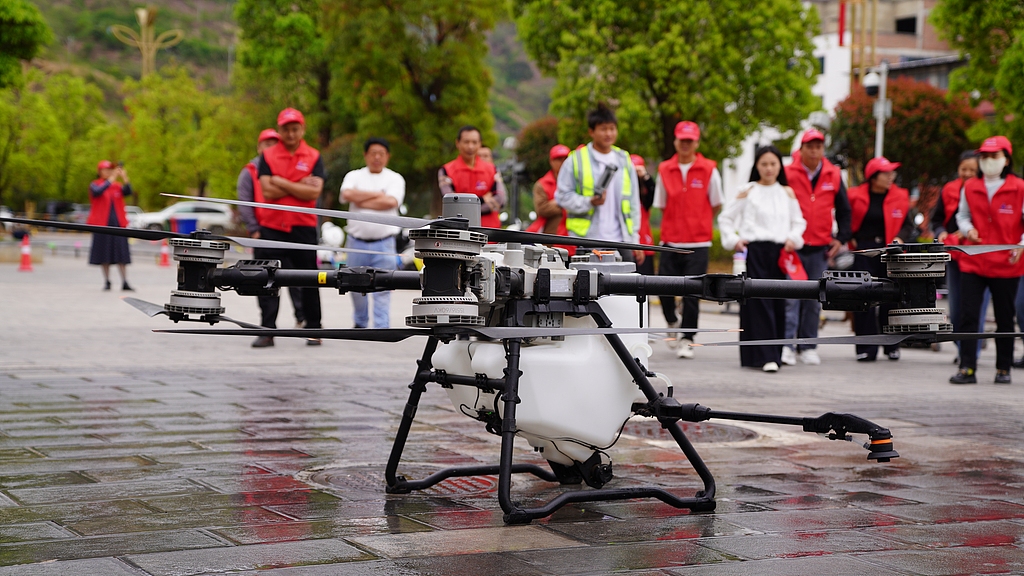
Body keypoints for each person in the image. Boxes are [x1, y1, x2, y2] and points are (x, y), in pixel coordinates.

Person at [718, 145, 806, 372]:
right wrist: (734, 239)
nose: (768, 168)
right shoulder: (748, 190)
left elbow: (799, 222)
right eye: (764, 164)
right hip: (755, 251)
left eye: (773, 164)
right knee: (758, 302)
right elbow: (726, 218)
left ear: (780, 166)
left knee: (777, 301)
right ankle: (762, 356)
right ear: (756, 166)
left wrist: (792, 238)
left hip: (779, 253)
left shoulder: (786, 192)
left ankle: (774, 353)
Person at [951, 136, 1024, 384]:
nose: (988, 161)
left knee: (1005, 317)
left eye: (993, 156)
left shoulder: (1019, 187)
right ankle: (967, 367)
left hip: (1006, 263)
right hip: (974, 259)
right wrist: (967, 228)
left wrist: (1021, 245)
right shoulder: (970, 186)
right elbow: (962, 215)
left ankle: (1003, 368)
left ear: (1006, 159)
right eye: (984, 156)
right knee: (968, 315)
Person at [251, 107, 325, 348]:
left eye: (295, 129)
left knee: (310, 279)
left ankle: (314, 328)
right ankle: (267, 330)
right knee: (265, 279)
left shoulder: (314, 156)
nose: (290, 134)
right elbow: (267, 191)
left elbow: (314, 192)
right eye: (286, 129)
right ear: (279, 130)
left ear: (302, 129)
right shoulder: (268, 156)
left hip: (303, 227)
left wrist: (281, 182)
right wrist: (297, 185)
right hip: (271, 226)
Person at [781, 129, 852, 366]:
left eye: (818, 146)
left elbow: (844, 209)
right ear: (801, 149)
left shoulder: (833, 174)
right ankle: (786, 345)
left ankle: (808, 345)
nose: (814, 150)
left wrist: (841, 237)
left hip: (820, 247)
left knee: (814, 298)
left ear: (823, 149)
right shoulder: (788, 172)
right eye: (809, 146)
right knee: (790, 298)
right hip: (793, 247)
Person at [653, 121, 723, 358]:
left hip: (698, 242)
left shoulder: (709, 169)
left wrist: (698, 222)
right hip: (671, 241)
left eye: (690, 141)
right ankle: (672, 320)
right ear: (675, 142)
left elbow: (716, 204)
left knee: (693, 292)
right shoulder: (664, 169)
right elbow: (662, 204)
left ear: (696, 143)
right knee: (663, 287)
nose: (685, 144)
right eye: (681, 140)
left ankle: (688, 337)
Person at [555, 104, 642, 263]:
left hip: (621, 241)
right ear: (591, 132)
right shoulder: (576, 159)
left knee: (624, 287)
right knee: (588, 286)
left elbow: (633, 201)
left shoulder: (624, 159)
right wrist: (589, 202)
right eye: (603, 129)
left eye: (612, 128)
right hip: (587, 240)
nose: (609, 133)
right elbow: (562, 196)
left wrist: (635, 239)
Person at [237, 128, 306, 329]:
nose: (270, 148)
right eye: (266, 144)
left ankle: (303, 320)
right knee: (264, 281)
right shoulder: (250, 171)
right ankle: (267, 328)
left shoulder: (291, 168)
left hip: (292, 233)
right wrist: (254, 230)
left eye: (275, 144)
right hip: (265, 233)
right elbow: (244, 201)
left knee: (299, 280)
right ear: (259, 147)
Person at [848, 157, 913, 362]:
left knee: (891, 298)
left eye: (892, 173)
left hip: (889, 253)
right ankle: (865, 347)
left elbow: (909, 225)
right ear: (873, 177)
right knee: (862, 298)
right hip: (864, 251)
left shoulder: (901, 196)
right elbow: (845, 219)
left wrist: (900, 238)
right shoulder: (855, 195)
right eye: (886, 173)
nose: (890, 177)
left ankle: (892, 345)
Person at [340, 137, 406, 329]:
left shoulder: (394, 178)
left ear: (387, 156)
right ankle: (360, 323)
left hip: (384, 243)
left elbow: (392, 202)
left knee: (384, 286)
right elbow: (347, 194)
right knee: (353, 283)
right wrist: (378, 194)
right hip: (356, 242)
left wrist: (361, 200)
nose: (377, 157)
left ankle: (381, 326)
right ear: (366, 155)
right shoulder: (354, 175)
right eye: (373, 153)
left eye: (381, 154)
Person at [932, 151, 986, 363]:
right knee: (955, 308)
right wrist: (941, 232)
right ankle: (962, 346)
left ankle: (970, 352)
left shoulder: (984, 191)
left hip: (977, 257)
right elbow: (937, 220)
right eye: (964, 169)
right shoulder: (949, 189)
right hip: (954, 257)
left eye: (972, 170)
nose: (967, 173)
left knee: (975, 309)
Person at [439, 127, 503, 228]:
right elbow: (451, 203)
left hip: (490, 231)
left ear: (480, 144)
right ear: (458, 143)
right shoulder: (446, 171)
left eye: (474, 142)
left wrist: (465, 210)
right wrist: (483, 199)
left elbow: (500, 199)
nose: (470, 146)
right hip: (458, 231)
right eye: (466, 142)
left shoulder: (493, 170)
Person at [88, 161, 134, 291]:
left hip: (118, 224)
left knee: (121, 255)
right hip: (102, 224)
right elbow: (98, 192)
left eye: (110, 170)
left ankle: (125, 281)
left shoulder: (116, 186)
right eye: (106, 169)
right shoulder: (95, 185)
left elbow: (128, 191)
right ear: (100, 171)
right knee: (104, 254)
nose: (108, 172)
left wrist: (124, 177)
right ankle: (107, 281)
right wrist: (111, 179)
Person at [528, 144, 572, 236]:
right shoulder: (542, 184)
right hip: (550, 237)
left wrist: (557, 203)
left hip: (572, 236)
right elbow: (542, 209)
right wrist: (570, 204)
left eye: (566, 159)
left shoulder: (576, 181)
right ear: (551, 161)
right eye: (559, 159)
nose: (563, 162)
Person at [632, 154, 656, 276]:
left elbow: (654, 194)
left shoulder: (645, 193)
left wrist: (645, 176)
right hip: (629, 242)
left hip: (644, 240)